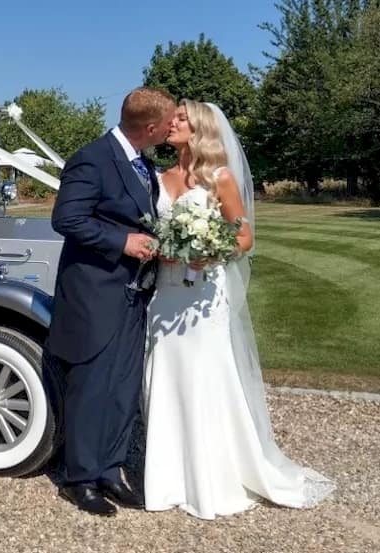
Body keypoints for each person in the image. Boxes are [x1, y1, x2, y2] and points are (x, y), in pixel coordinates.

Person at [142, 99, 336, 520]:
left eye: (180, 119)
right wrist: (163, 250)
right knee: (166, 376)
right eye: (171, 118)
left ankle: (212, 480)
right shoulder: (157, 178)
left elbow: (244, 238)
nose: (170, 123)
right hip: (166, 293)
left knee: (204, 379)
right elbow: (150, 233)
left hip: (204, 298)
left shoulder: (220, 179)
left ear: (200, 129)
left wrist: (209, 253)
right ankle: (167, 478)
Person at [45, 87, 175, 516]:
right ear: (151, 127)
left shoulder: (145, 163)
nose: (172, 127)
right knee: (91, 387)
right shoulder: (92, 158)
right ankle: (79, 479)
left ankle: (111, 470)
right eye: (168, 122)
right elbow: (66, 218)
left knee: (122, 385)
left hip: (135, 292)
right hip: (94, 294)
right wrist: (122, 241)